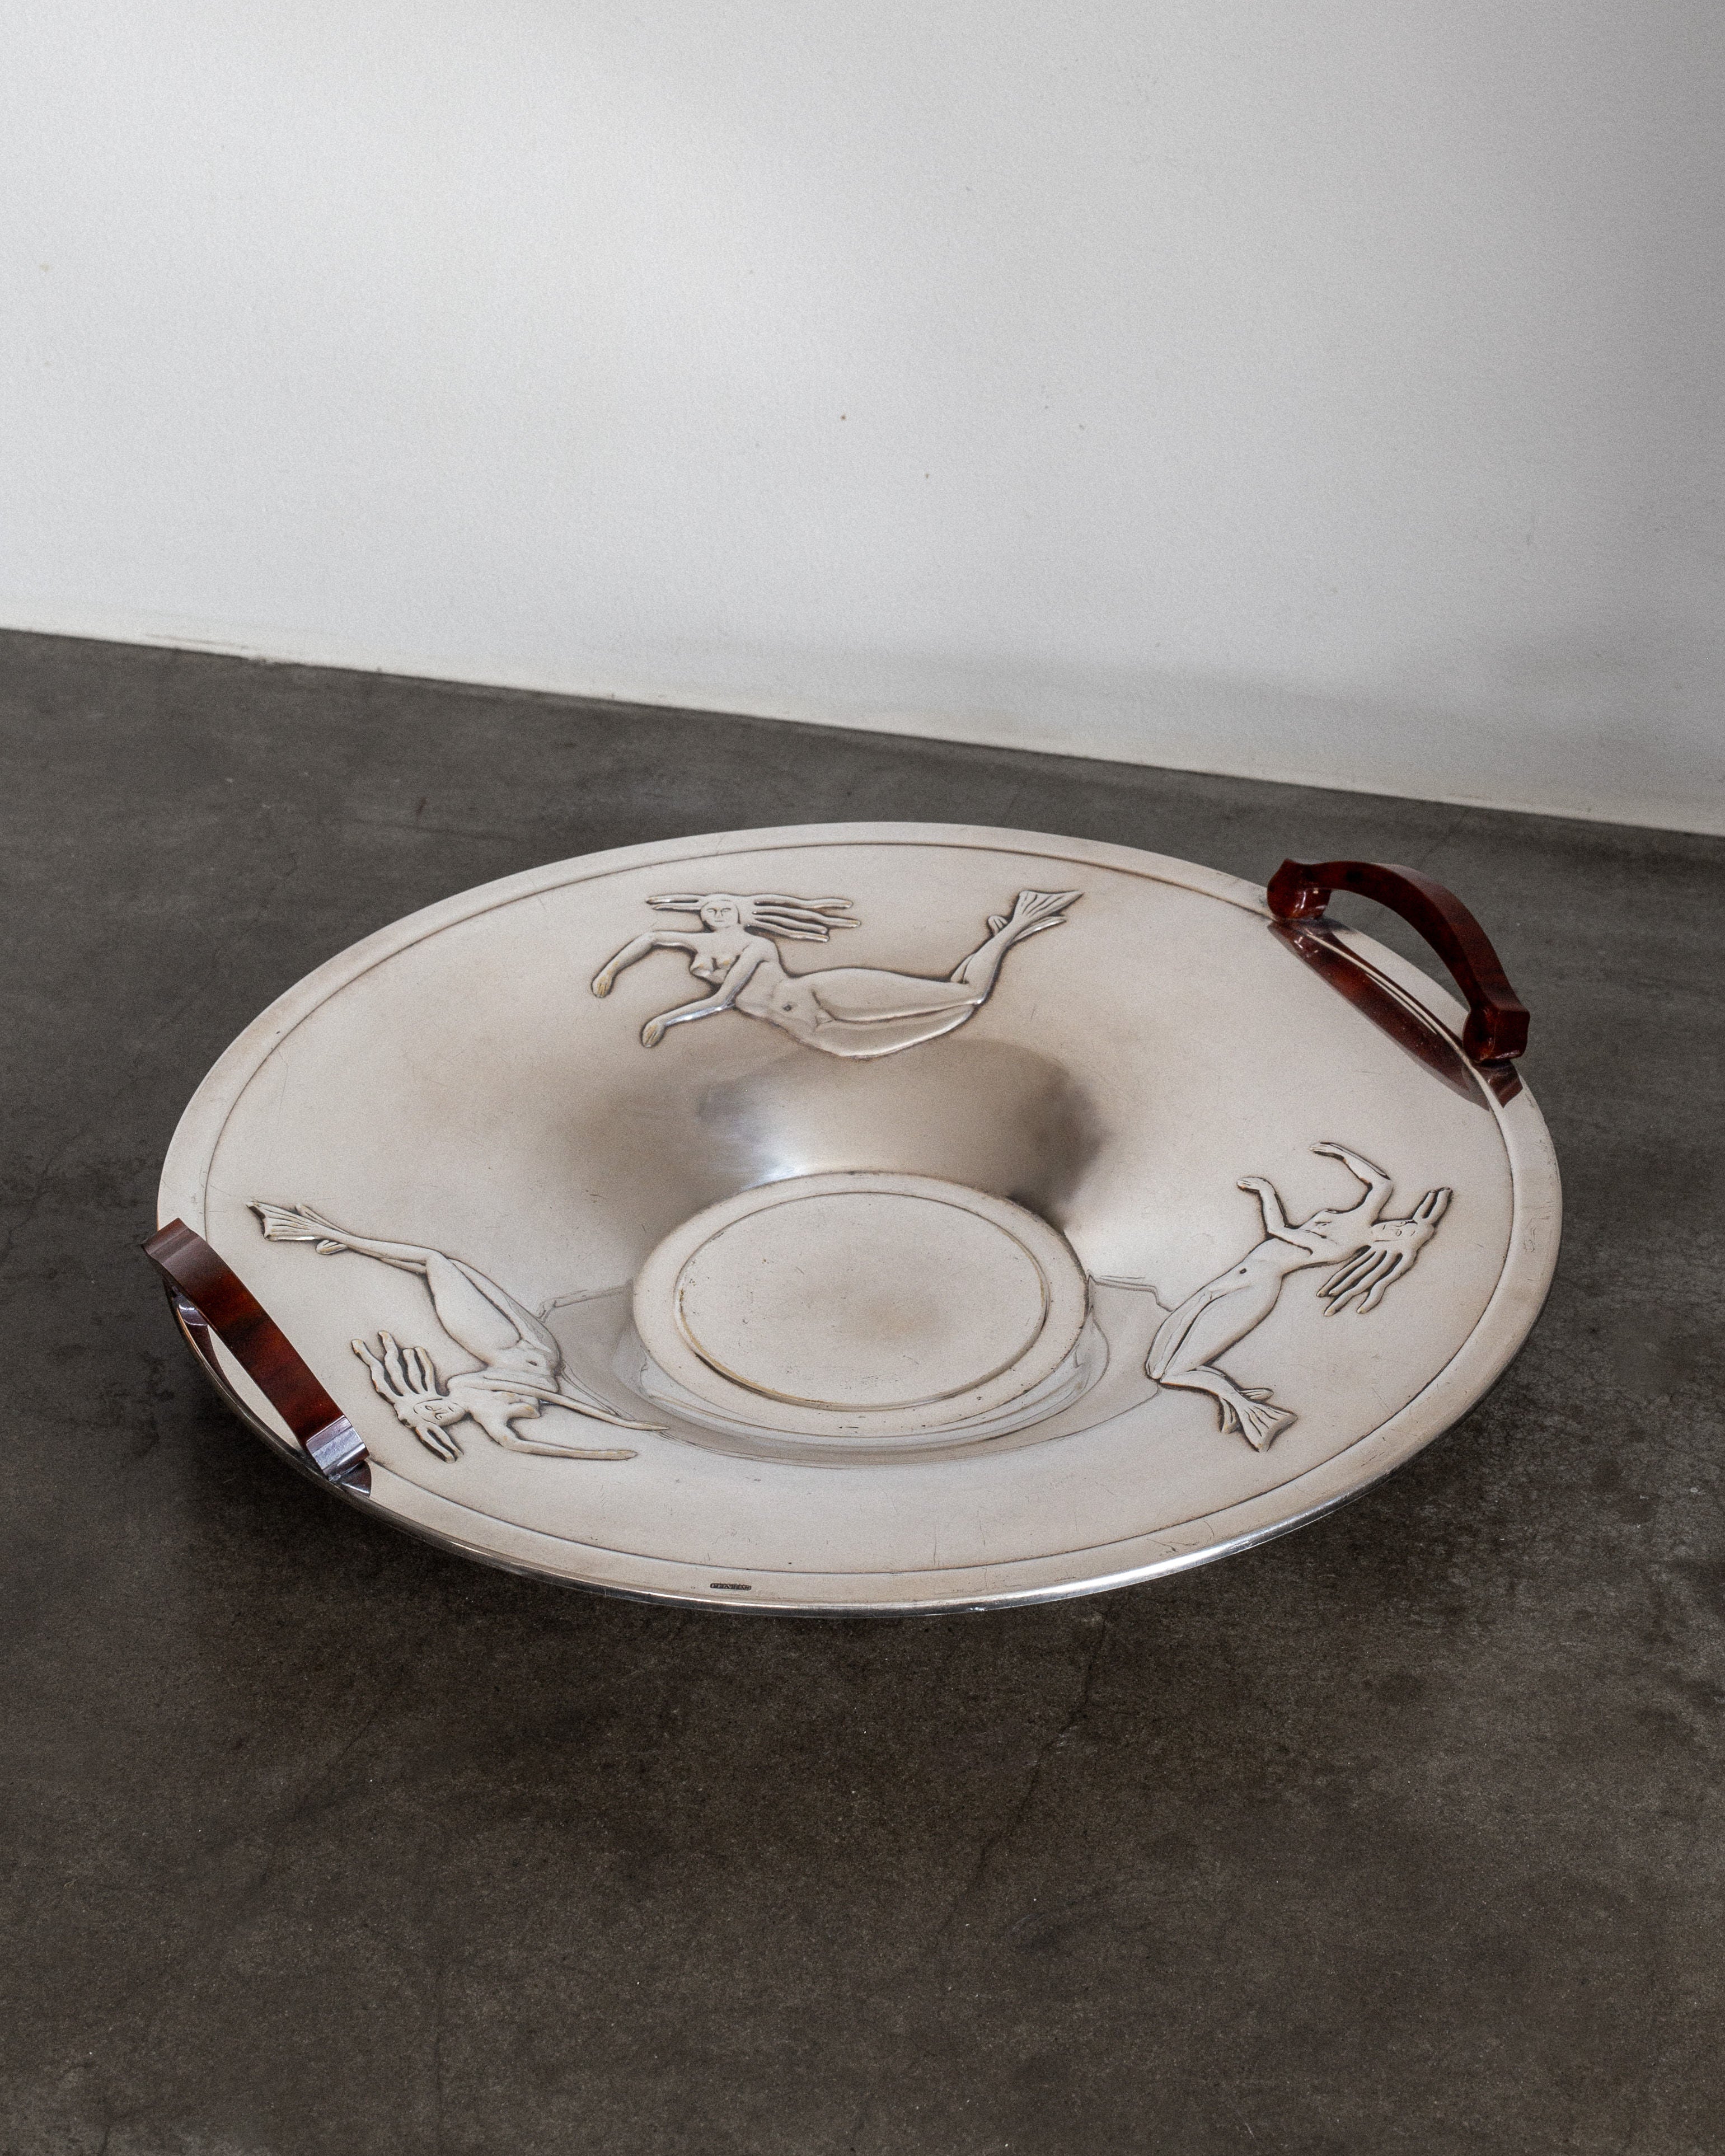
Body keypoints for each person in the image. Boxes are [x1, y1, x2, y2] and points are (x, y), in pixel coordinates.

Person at [251, 1203, 657, 1460]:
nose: (432, 1411)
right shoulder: (487, 1414)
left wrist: (624, 1426)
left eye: (422, 1409)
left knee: (442, 1266)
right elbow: (526, 1438)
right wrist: (615, 1442)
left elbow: (556, 1401)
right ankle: (334, 1237)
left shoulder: (462, 1393)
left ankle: (338, 1237)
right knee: (438, 1265)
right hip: (524, 1345)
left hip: (498, 1341)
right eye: (427, 1419)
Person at [1146, 1143, 1451, 1451]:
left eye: (1401, 1234)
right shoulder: (1363, 1215)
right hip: (1229, 1280)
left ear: (1389, 1246)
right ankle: (1238, 1401)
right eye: (1406, 1223)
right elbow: (1383, 1184)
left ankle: (1251, 1411)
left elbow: (1278, 1229)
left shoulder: (1338, 1248)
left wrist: (1266, 1192)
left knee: (1172, 1371)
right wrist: (1341, 1153)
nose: (1397, 1226)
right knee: (1156, 1366)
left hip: (1255, 1290)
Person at [590, 887, 1080, 1059]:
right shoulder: (693, 943)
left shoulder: (756, 944)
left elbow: (724, 1000)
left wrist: (665, 1020)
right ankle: (1005, 934)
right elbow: (650, 938)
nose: (717, 911)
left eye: (726, 905)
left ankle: (1017, 923)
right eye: (711, 906)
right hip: (811, 1030)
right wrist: (611, 970)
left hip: (821, 992)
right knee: (957, 1001)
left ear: (743, 914)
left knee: (967, 996)